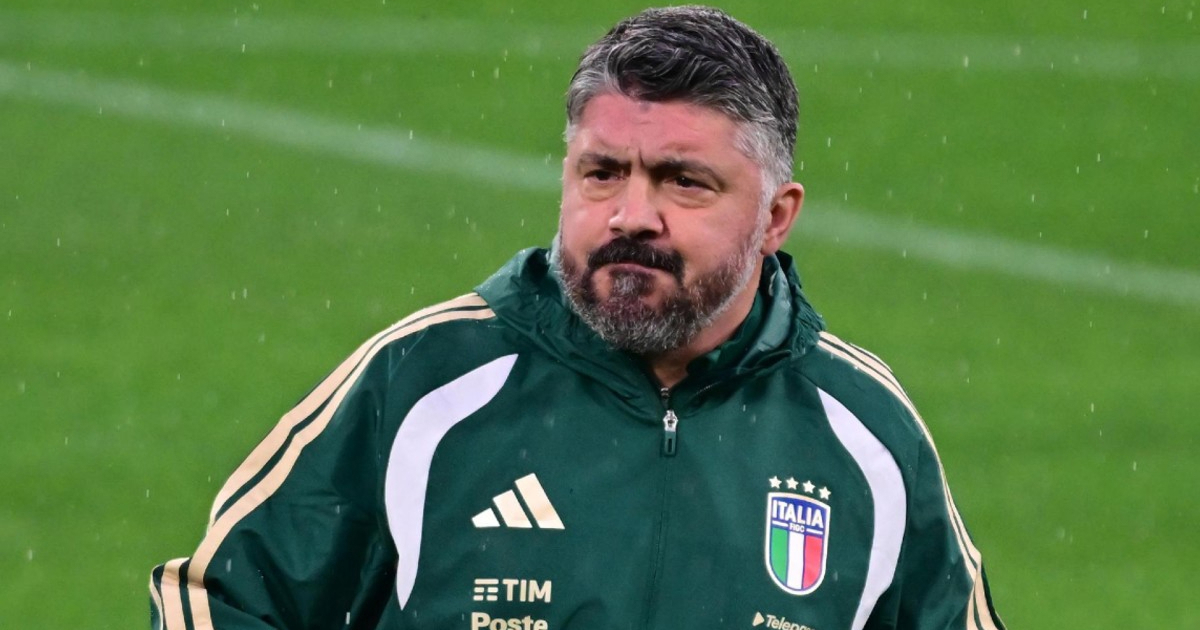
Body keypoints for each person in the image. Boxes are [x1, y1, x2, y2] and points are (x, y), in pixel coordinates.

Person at [151, 6, 1004, 630]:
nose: (632, 215)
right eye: (602, 173)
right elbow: (216, 604)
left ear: (775, 217)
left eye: (683, 181)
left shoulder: (863, 435)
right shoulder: (427, 385)